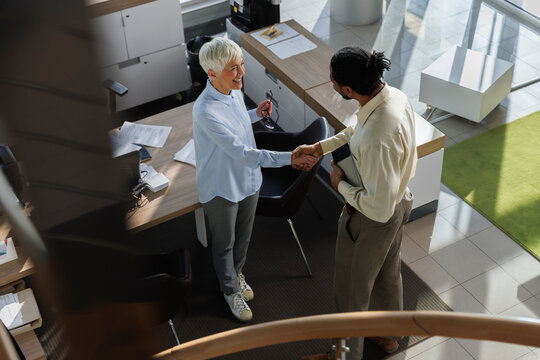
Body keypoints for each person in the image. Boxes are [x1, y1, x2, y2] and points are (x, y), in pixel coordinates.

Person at [297, 47, 417, 359]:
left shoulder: (378, 135)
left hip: (372, 219)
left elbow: (375, 206)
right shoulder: (393, 98)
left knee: (351, 291)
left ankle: (344, 357)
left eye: (333, 81)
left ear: (348, 89)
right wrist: (320, 148)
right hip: (401, 201)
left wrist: (340, 186)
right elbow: (356, 130)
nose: (332, 84)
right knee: (387, 276)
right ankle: (388, 336)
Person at [192, 38, 317, 322]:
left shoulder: (233, 90)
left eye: (241, 65)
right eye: (233, 68)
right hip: (222, 186)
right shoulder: (204, 111)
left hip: (249, 180)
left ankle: (236, 275)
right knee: (224, 242)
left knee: (244, 237)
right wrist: (290, 158)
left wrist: (254, 114)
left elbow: (235, 121)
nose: (241, 73)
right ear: (211, 74)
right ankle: (228, 290)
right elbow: (243, 153)